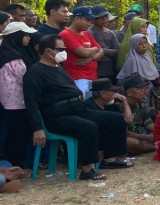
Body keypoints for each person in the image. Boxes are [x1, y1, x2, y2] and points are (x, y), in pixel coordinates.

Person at [23, 35, 130, 180]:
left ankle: (110, 159)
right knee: (88, 126)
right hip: (57, 116)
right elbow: (31, 102)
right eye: (60, 49)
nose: (64, 52)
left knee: (115, 119)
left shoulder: (58, 68)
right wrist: (37, 128)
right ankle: (87, 169)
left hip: (78, 110)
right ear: (48, 51)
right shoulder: (35, 72)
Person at [0, 21, 39, 167]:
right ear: (17, 36)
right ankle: (16, 165)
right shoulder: (13, 55)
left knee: (13, 134)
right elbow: (24, 78)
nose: (28, 39)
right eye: (25, 35)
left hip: (7, 101)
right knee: (20, 135)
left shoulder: (5, 52)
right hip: (16, 102)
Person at [59, 6, 103, 100]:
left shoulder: (87, 34)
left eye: (91, 20)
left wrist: (91, 59)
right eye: (87, 20)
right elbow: (84, 53)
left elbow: (102, 52)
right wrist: (95, 49)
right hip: (77, 78)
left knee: (91, 106)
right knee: (81, 104)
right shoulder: (66, 34)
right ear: (77, 18)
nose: (90, 23)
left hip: (92, 77)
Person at [120, 73, 158, 146]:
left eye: (143, 88)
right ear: (128, 92)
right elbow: (124, 132)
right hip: (128, 137)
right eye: (138, 88)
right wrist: (145, 137)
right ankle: (157, 148)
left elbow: (148, 123)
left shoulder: (140, 103)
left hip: (142, 134)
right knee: (134, 143)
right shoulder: (119, 105)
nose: (143, 90)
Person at [88, 6, 120, 83]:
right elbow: (91, 52)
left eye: (106, 16)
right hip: (96, 67)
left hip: (111, 67)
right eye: (100, 17)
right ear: (93, 19)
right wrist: (105, 52)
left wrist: (102, 50)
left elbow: (117, 51)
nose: (104, 19)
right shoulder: (89, 33)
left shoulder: (110, 33)